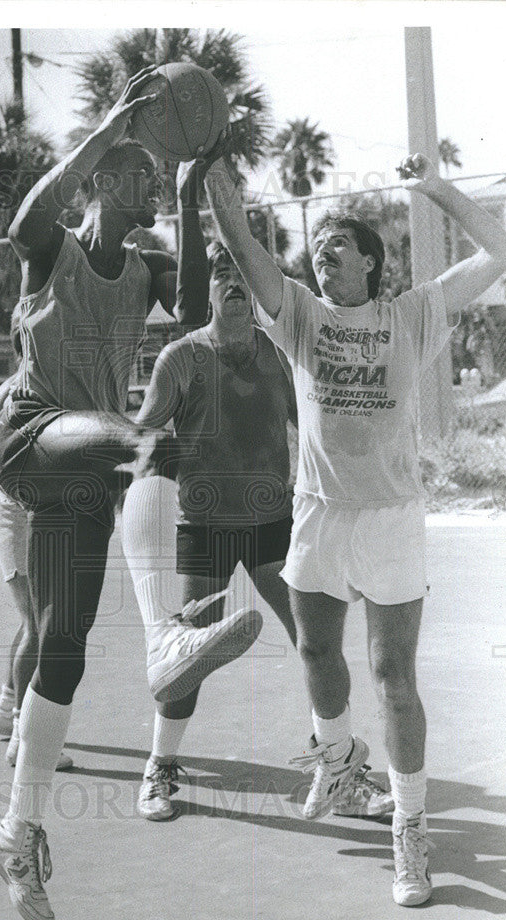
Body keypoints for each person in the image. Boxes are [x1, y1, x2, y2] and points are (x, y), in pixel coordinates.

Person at [0, 67, 261, 920]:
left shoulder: (139, 268)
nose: (145, 180)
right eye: (134, 173)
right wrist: (109, 130)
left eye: (150, 173)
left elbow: (184, 305)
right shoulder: (53, 249)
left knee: (63, 643)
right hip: (32, 434)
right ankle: (166, 636)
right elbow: (25, 218)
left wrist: (182, 186)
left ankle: (15, 828)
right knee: (152, 440)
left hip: (84, 476)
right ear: (100, 179)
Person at [204, 149, 506, 906]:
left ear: (371, 265)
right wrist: (215, 183)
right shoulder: (301, 317)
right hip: (315, 509)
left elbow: (501, 252)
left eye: (338, 246)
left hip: (389, 518)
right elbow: (246, 250)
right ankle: (339, 759)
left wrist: (433, 188)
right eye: (318, 249)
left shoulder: (409, 315)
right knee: (313, 647)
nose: (323, 253)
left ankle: (409, 827)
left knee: (393, 679)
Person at [134, 240, 394, 822]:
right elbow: (143, 439)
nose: (234, 282)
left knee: (314, 643)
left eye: (242, 274)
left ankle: (340, 771)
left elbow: (319, 425)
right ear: (204, 288)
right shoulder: (181, 357)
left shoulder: (280, 355)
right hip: (203, 526)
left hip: (276, 522)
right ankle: (160, 765)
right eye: (221, 272)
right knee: (187, 655)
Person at [0, 323, 73, 771]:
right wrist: (21, 490)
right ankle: (21, 734)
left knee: (32, 620)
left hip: (39, 518)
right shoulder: (12, 392)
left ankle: (4, 709)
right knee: (39, 625)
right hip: (17, 517)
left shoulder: (55, 389)